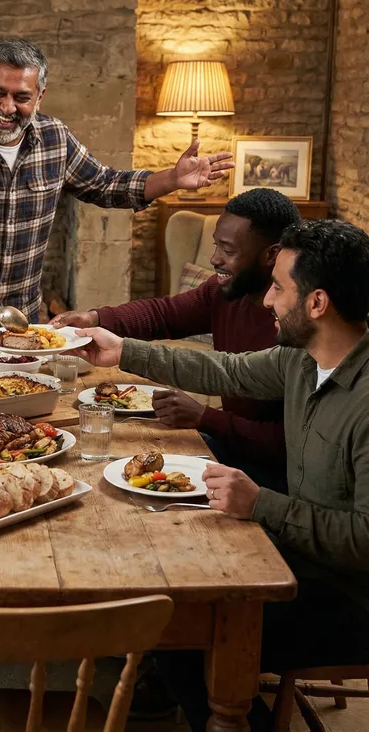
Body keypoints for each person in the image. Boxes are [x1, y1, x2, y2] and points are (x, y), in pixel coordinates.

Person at [74, 218, 369, 732]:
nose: (266, 301)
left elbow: (365, 542)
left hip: (349, 600)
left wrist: (261, 504)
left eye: (279, 288)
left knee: (182, 633)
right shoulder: (303, 358)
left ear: (317, 303)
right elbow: (225, 370)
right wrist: (120, 349)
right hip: (295, 557)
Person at [0, 38, 234, 345]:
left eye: (22, 97)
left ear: (40, 96)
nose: (8, 108)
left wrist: (172, 179)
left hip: (19, 325)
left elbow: (107, 184)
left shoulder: (55, 138)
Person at [53, 188, 300, 493]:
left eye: (228, 250)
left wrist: (205, 418)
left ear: (271, 254)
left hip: (271, 477)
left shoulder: (296, 328)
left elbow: (289, 446)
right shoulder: (224, 292)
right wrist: (96, 318)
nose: (214, 259)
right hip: (230, 447)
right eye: (215, 246)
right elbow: (164, 314)